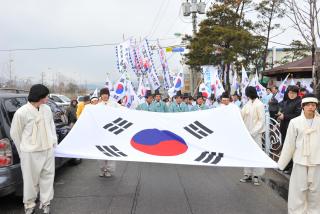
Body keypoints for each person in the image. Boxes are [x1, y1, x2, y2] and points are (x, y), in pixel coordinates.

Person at [10, 84, 57, 214]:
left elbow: (51, 126)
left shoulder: (46, 109)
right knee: (30, 180)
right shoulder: (22, 112)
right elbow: (16, 134)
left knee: (48, 177)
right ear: (39, 96)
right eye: (46, 96)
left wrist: (53, 142)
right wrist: (23, 151)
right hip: (30, 152)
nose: (47, 98)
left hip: (47, 149)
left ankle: (46, 203)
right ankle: (29, 205)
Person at [278, 94, 320, 213]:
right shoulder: (295, 122)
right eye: (309, 105)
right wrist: (282, 163)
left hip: (317, 161)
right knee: (298, 190)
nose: (311, 107)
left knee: (316, 191)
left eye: (313, 105)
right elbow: (289, 144)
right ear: (303, 106)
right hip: (300, 160)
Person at [239, 86, 266, 186]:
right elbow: (241, 115)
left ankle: (256, 175)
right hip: (247, 133)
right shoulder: (247, 104)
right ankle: (247, 174)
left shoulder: (259, 105)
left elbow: (261, 120)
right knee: (247, 153)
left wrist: (253, 132)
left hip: (255, 134)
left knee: (256, 153)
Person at [97, 88, 121, 177]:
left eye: (106, 94)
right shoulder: (97, 106)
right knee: (101, 152)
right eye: (103, 94)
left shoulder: (114, 105)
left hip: (111, 132)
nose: (105, 95)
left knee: (111, 151)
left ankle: (109, 170)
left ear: (108, 95)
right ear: (101, 95)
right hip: (101, 133)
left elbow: (124, 111)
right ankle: (102, 169)